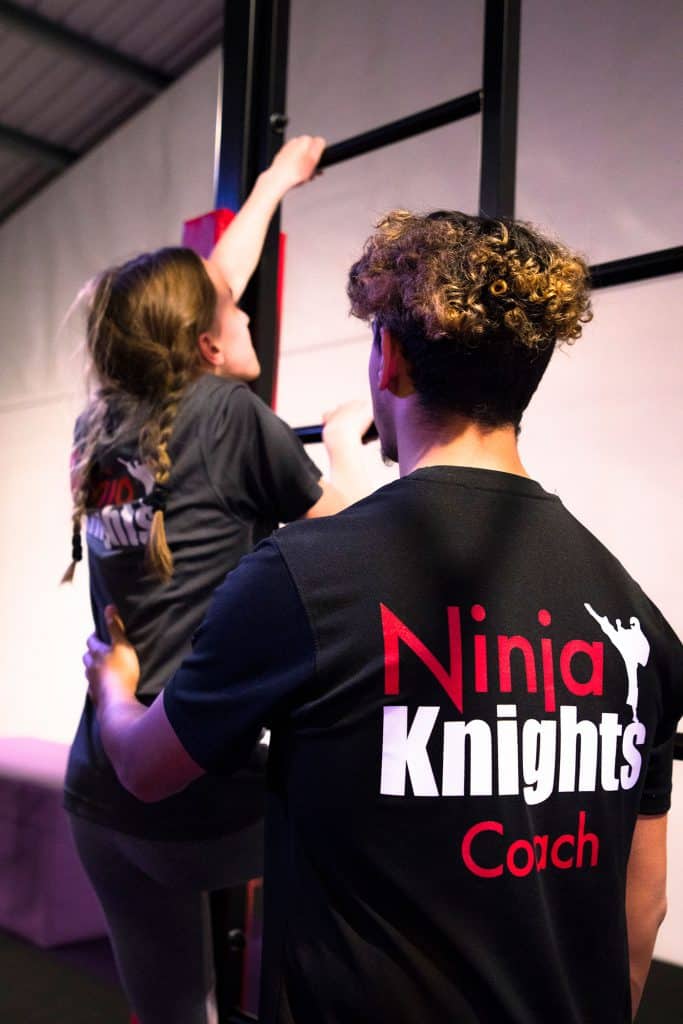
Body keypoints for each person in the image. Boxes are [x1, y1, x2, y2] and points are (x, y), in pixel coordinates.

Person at [84, 210, 683, 1024]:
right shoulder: (637, 624)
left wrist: (115, 687)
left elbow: (146, 769)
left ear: (390, 360)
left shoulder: (299, 580)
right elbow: (641, 909)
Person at [64, 135, 372, 1024]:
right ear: (205, 344)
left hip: (102, 794)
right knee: (387, 825)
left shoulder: (102, 422)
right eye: (234, 313)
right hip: (201, 804)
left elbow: (208, 285)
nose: (246, 314)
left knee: (172, 1013)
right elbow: (358, 541)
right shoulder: (230, 413)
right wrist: (344, 444)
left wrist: (274, 181)